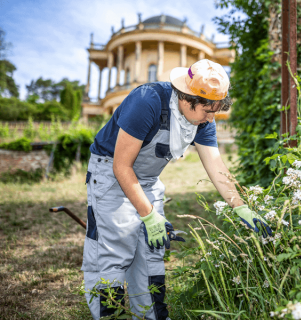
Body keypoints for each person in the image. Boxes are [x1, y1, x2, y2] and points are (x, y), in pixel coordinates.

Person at [82, 59, 272, 320]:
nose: (211, 118)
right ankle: (111, 316)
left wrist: (240, 206)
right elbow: (121, 166)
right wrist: (148, 215)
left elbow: (215, 163)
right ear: (186, 98)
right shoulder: (147, 101)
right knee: (115, 248)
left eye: (215, 110)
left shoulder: (202, 118)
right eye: (207, 110)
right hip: (111, 174)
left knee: (152, 251)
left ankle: (152, 316)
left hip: (147, 180)